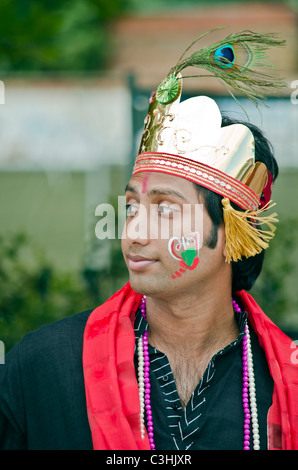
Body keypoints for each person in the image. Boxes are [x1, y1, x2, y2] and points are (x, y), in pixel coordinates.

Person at [0, 30, 297, 451]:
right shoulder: (44, 367)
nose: (134, 232)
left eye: (166, 209)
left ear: (231, 230)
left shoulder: (286, 380)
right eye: (133, 206)